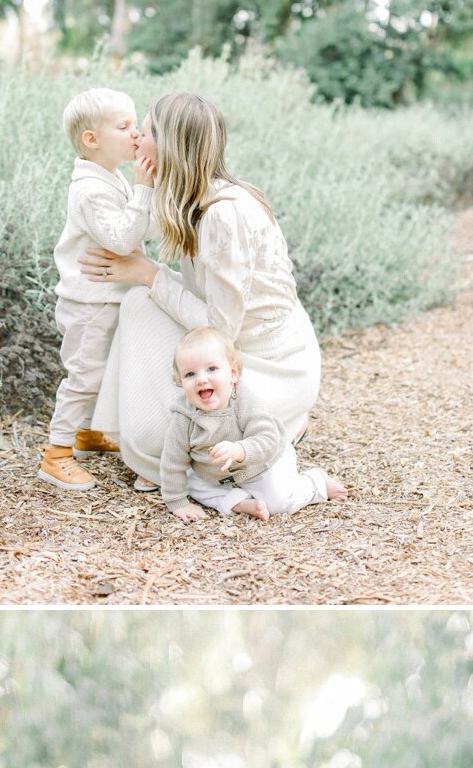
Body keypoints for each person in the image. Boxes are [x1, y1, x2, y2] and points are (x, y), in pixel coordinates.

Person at [82, 88, 342, 506]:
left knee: (169, 436)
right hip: (236, 347)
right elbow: (137, 233)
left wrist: (150, 273)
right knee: (138, 303)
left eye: (145, 133)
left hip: (271, 362)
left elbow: (222, 329)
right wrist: (143, 187)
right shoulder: (190, 196)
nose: (136, 140)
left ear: (169, 147)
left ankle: (284, 429)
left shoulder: (223, 212)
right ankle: (124, 434)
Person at [40, 85, 149, 497]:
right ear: (92, 139)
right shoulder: (89, 189)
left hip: (106, 297)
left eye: (136, 125)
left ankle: (86, 434)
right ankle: (57, 453)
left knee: (102, 372)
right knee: (84, 375)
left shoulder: (112, 177)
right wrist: (145, 189)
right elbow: (123, 240)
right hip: (88, 303)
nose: (136, 134)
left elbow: (140, 228)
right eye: (124, 126)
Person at [159, 323, 330, 523]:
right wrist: (177, 502)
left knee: (280, 503)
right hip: (217, 475)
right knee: (191, 481)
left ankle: (316, 483)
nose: (201, 379)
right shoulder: (183, 417)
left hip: (263, 462)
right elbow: (172, 462)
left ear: (233, 373)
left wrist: (240, 450)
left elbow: (267, 439)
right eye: (190, 374)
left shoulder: (245, 401)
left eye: (212, 369)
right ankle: (240, 502)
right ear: (180, 381)